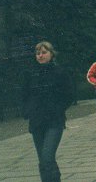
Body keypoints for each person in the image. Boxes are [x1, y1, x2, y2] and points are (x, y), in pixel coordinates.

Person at [22, 41, 74, 182]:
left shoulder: (60, 72)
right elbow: (24, 95)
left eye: (44, 52)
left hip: (54, 121)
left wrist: (58, 109)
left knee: (47, 156)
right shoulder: (30, 74)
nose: (40, 55)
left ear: (51, 54)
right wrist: (28, 111)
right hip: (36, 121)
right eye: (38, 53)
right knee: (43, 160)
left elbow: (69, 95)